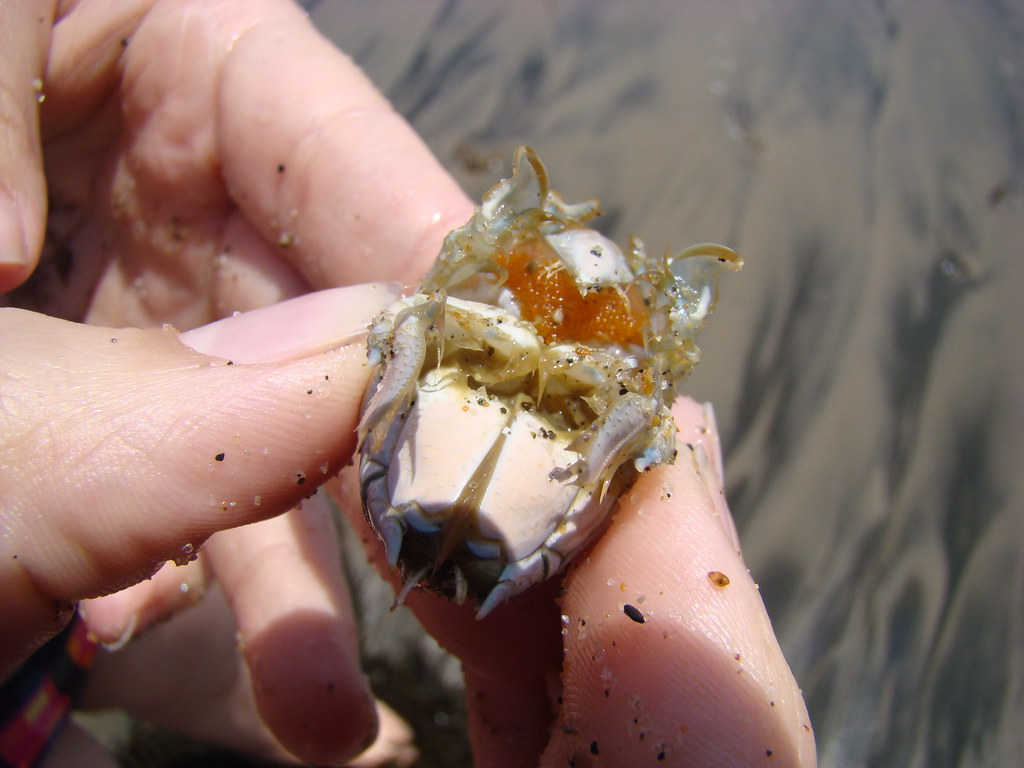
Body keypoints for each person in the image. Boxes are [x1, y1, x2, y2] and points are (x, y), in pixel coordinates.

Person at [0, 2, 816, 766]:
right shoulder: (461, 320)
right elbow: (420, 323)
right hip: (460, 501)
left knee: (185, 658)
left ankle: (245, 708)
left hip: (494, 510)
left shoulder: (539, 352)